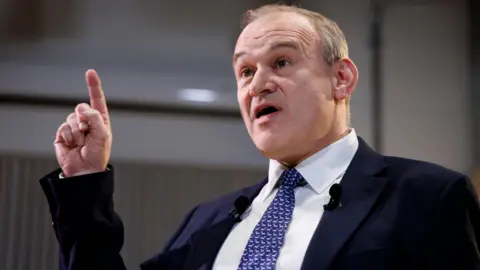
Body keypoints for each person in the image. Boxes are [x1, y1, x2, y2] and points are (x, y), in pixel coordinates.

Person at [38, 4, 480, 270]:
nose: (258, 84)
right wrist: (83, 182)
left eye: (282, 62)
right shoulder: (203, 222)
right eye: (245, 71)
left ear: (341, 79)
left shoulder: (427, 198)